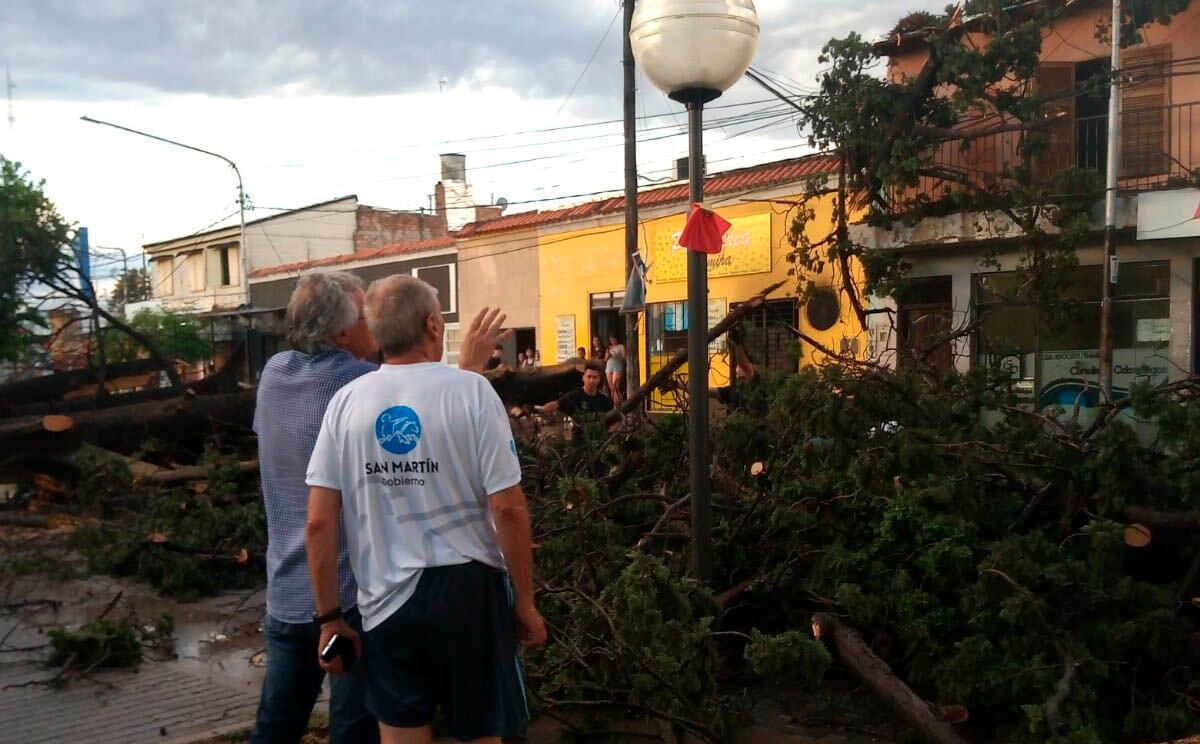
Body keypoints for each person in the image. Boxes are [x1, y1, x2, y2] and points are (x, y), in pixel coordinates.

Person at [250, 271, 510, 744]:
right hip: (352, 600)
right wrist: (468, 370)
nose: (377, 329)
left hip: (289, 592)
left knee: (275, 728)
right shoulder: (355, 385)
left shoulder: (273, 375)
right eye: (367, 319)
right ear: (344, 332)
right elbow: (424, 407)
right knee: (355, 731)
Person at [305, 275, 546, 744]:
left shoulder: (344, 405)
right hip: (469, 593)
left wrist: (330, 619)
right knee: (480, 733)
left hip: (385, 603)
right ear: (434, 325)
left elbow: (318, 522)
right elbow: (509, 510)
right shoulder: (473, 393)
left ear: (376, 334)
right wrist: (526, 603)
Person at [538, 362, 614, 416]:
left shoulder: (604, 400)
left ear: (599, 380)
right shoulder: (574, 395)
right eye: (589, 376)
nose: (591, 380)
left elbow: (615, 420)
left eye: (594, 377)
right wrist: (539, 409)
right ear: (583, 378)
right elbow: (556, 404)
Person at [605, 334, 626, 406]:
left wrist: (615, 355)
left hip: (617, 365)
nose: (612, 341)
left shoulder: (621, 346)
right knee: (611, 388)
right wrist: (608, 355)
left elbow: (624, 358)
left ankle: (621, 405)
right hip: (609, 365)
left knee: (615, 386)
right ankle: (614, 405)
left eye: (613, 339)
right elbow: (605, 359)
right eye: (610, 340)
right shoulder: (609, 348)